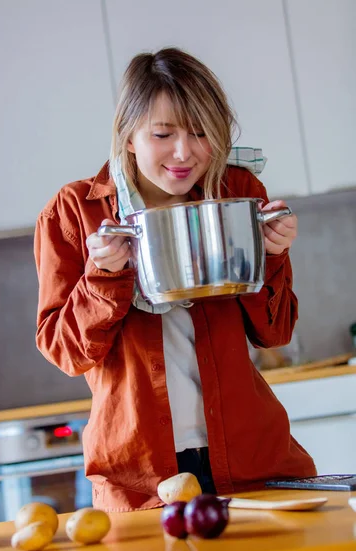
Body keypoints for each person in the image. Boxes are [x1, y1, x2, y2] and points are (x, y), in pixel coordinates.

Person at [34, 48, 316, 512]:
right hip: (141, 478)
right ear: (128, 137)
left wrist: (272, 255)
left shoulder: (237, 192)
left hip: (254, 464)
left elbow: (274, 333)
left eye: (202, 133)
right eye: (163, 134)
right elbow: (65, 352)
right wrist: (104, 277)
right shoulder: (75, 212)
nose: (185, 153)